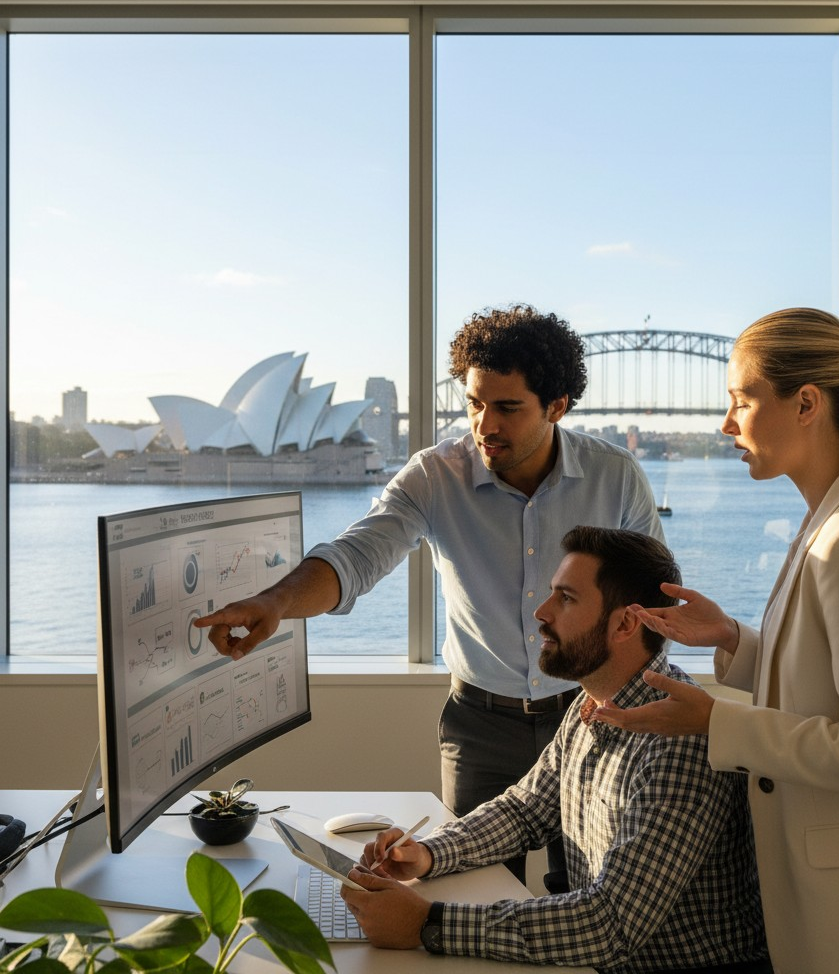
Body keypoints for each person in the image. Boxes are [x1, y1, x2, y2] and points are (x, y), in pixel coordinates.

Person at [195, 304, 663, 884]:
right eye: (474, 403)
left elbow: (653, 607)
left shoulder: (615, 476)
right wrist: (277, 603)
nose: (485, 424)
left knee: (592, 890)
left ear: (558, 406)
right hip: (481, 728)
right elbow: (356, 554)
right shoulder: (434, 474)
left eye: (508, 408)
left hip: (596, 714)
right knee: (465, 889)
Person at [594, 308, 839, 974]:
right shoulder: (834, 519)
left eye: (740, 401)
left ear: (805, 404)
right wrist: (734, 640)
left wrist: (717, 722)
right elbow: (834, 684)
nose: (726, 425)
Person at [342, 526, 769, 974]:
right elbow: (525, 811)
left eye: (565, 598)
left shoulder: (680, 740)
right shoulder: (594, 702)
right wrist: (427, 854)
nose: (541, 612)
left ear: (624, 624)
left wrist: (428, 924)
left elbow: (610, 925)